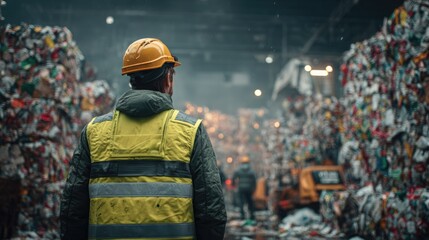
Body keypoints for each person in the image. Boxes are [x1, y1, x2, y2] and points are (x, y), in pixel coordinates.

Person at [60, 38, 227, 240]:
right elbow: (211, 211)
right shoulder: (191, 131)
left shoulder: (94, 132)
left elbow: (72, 210)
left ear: (131, 79)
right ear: (167, 78)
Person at [232, 155, 257, 220]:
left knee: (241, 203)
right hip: (249, 189)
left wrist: (234, 185)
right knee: (250, 202)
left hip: (241, 189)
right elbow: (254, 181)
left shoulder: (238, 171)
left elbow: (233, 178)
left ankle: (242, 216)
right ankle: (251, 216)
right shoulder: (251, 171)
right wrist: (254, 188)